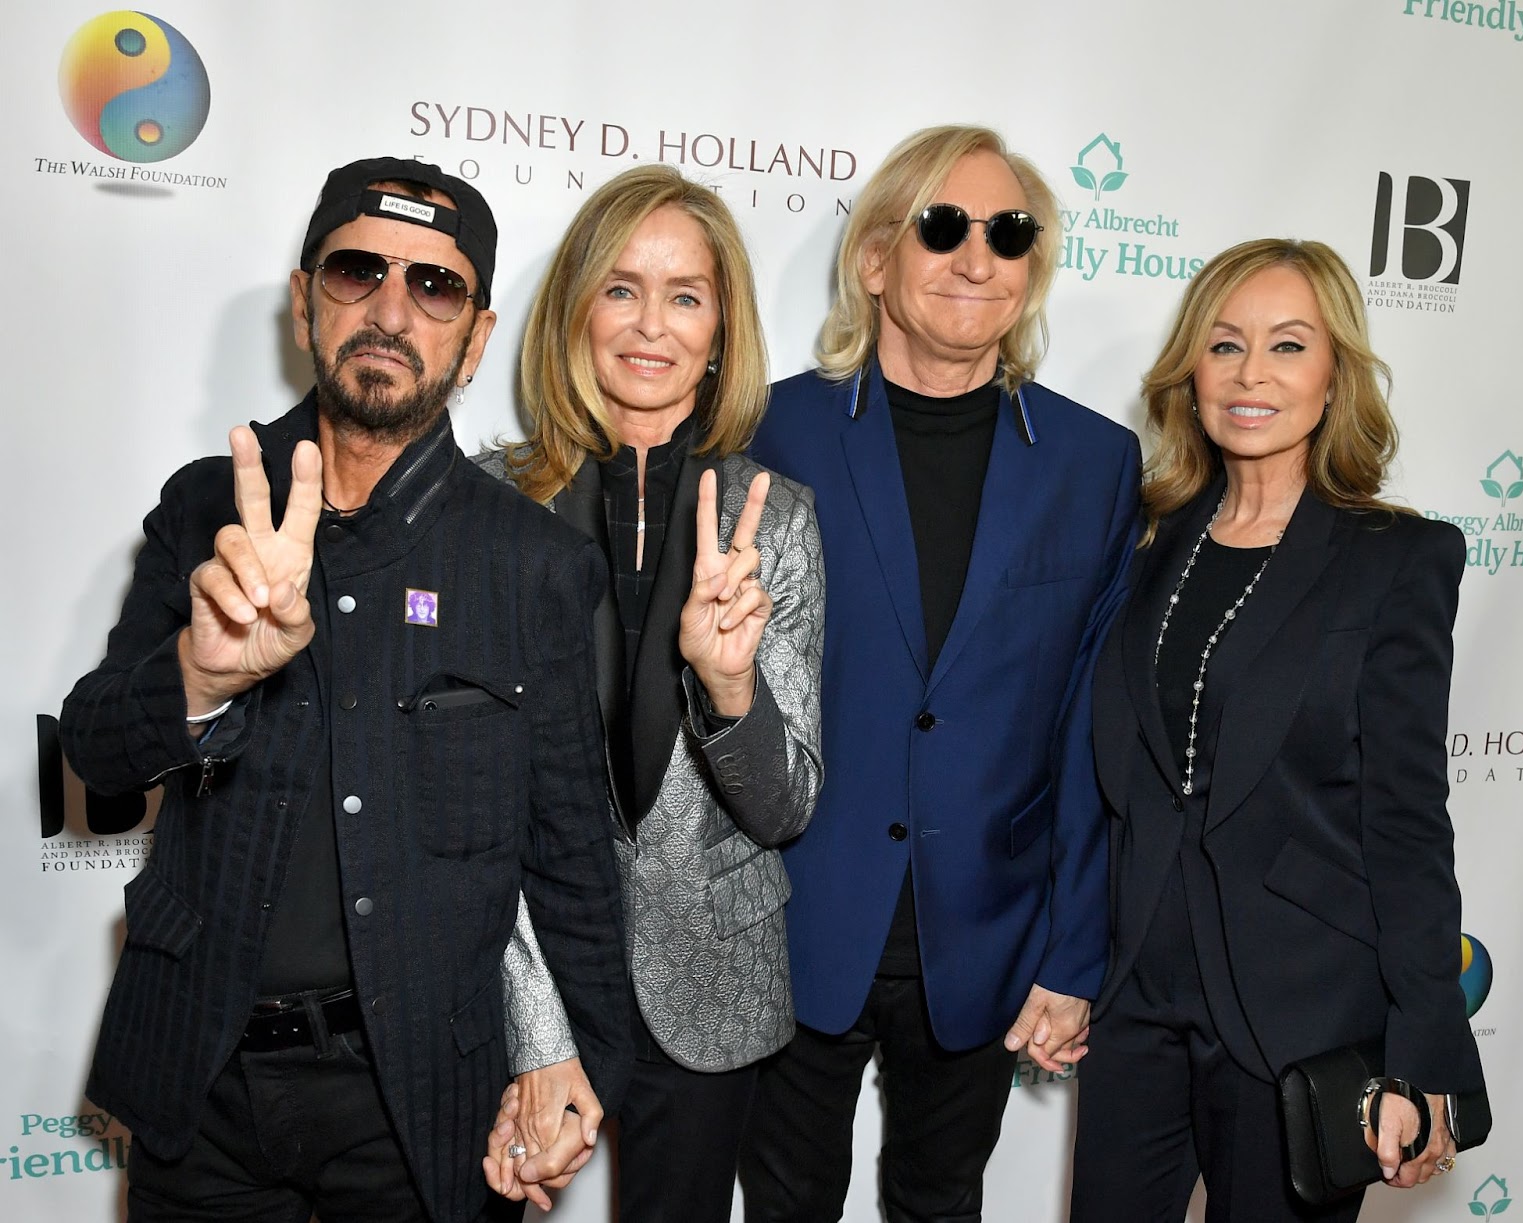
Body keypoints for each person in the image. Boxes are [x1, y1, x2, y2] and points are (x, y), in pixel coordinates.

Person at [59, 157, 631, 1223]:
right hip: (204, 1084)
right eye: (356, 270)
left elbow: (571, 857)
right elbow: (96, 747)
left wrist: (580, 1059)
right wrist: (200, 670)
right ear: (303, 298)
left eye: (435, 284)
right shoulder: (205, 505)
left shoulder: (533, 563)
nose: (389, 307)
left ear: (476, 332)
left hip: (426, 1102)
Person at [737, 125, 1142, 1222]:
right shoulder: (771, 427)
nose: (978, 257)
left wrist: (1071, 947)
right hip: (793, 911)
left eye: (1009, 233)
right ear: (875, 258)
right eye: (944, 227)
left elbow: (1086, 729)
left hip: (988, 923)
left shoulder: (1093, 462)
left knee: (940, 1201)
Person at [1071, 238, 1485, 1221]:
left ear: (1335, 371)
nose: (1251, 373)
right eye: (1224, 345)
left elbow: (1406, 821)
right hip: (1134, 1002)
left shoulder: (1396, 559)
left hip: (1303, 1014)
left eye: (1288, 345)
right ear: (1192, 369)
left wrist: (1421, 1051)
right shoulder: (1141, 539)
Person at [477, 164, 824, 1222]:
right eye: (622, 287)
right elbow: (468, 802)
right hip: (513, 961)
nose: (651, 324)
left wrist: (729, 691)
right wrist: (536, 1029)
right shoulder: (486, 506)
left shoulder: (779, 520)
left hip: (712, 976)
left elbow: (787, 804)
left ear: (721, 330)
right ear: (576, 307)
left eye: (685, 295)